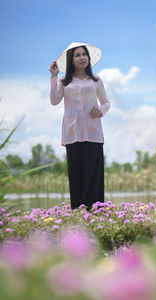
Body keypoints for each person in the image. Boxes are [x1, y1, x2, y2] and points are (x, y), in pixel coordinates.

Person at [49, 42, 110, 210]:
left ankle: (96, 212)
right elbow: (54, 101)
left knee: (93, 174)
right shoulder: (64, 81)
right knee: (76, 174)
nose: (82, 57)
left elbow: (106, 102)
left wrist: (100, 110)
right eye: (77, 55)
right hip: (72, 133)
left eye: (84, 54)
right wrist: (54, 77)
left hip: (93, 132)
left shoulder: (96, 80)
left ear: (89, 58)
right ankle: (78, 213)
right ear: (71, 60)